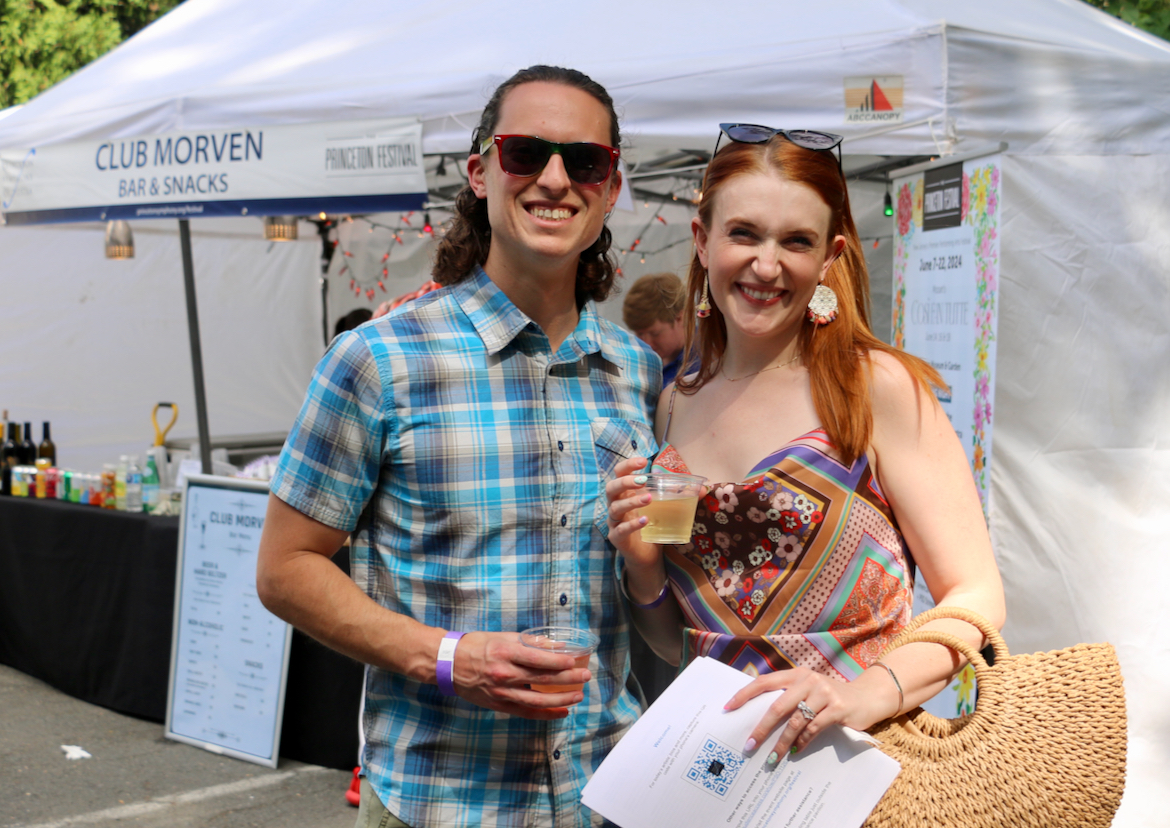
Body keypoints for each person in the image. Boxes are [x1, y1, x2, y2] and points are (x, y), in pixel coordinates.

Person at [256, 65, 660, 828]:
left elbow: (648, 588)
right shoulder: (378, 360)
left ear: (610, 189)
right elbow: (284, 568)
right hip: (441, 805)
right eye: (524, 152)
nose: (553, 178)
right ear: (480, 172)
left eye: (584, 161)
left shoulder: (635, 371)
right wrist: (444, 655)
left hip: (606, 799)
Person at [607, 124, 1004, 768]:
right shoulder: (672, 405)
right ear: (703, 241)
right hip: (721, 778)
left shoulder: (874, 388)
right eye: (744, 234)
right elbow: (673, 642)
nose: (768, 265)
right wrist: (642, 565)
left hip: (862, 770)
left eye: (796, 241)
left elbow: (977, 594)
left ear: (829, 256)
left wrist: (858, 696)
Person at [622, 272, 690, 385]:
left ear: (679, 318)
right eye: (639, 334)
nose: (646, 343)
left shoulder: (705, 364)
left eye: (654, 334)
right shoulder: (641, 363)